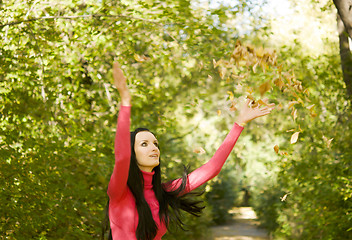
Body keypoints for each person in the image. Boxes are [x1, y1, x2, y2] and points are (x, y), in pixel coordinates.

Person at [102, 62, 274, 240]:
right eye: (144, 144)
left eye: (155, 143)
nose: (154, 147)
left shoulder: (162, 192)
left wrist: (239, 124)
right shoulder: (119, 192)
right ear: (133, 153)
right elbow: (122, 157)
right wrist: (125, 102)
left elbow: (212, 169)